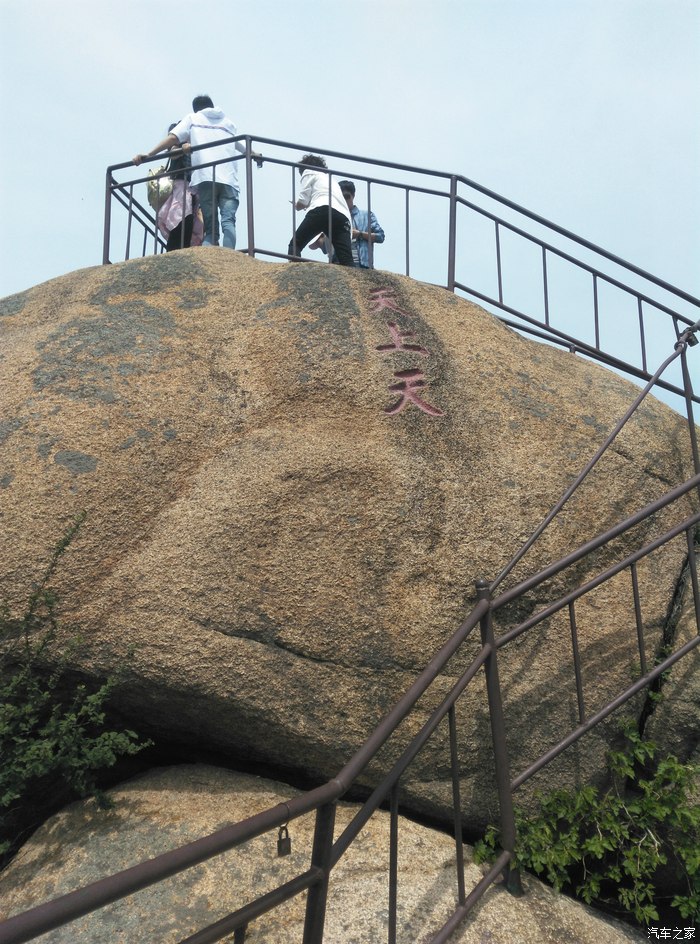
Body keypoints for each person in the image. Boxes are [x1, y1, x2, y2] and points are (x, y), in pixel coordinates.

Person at [134, 95, 253, 249]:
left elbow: (172, 139)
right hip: (227, 179)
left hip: (202, 178)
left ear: (196, 109)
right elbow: (241, 144)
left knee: (208, 228)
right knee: (227, 221)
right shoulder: (227, 123)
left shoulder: (193, 120)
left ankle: (210, 254)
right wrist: (255, 155)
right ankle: (227, 255)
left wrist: (149, 154)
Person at [287, 155, 354, 267]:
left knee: (295, 245)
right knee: (346, 259)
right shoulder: (331, 179)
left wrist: (296, 206)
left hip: (322, 210)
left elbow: (303, 201)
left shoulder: (309, 171)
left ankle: (295, 275)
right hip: (342, 217)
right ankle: (355, 283)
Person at [310, 180, 385, 268]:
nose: (345, 200)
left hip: (361, 264)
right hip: (338, 262)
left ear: (353, 195)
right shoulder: (333, 217)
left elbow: (380, 236)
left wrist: (359, 234)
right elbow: (318, 245)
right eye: (341, 197)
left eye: (347, 197)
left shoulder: (366, 215)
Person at [157, 124, 203, 252]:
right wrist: (183, 149)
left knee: (186, 220)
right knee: (181, 219)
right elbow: (172, 154)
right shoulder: (179, 143)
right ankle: (175, 251)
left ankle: (180, 251)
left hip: (190, 188)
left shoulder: (190, 144)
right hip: (181, 186)